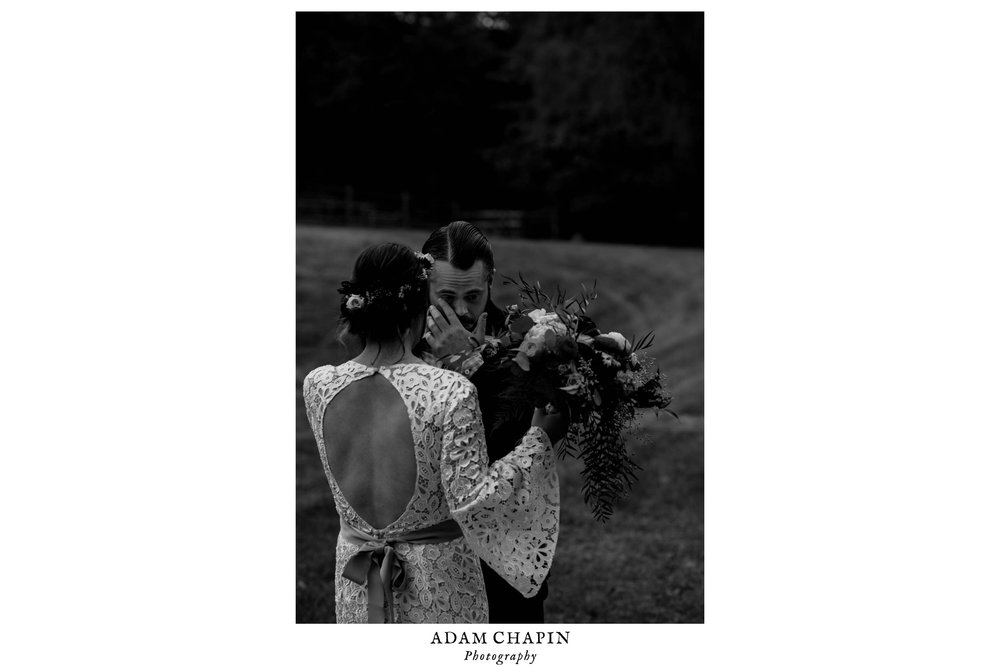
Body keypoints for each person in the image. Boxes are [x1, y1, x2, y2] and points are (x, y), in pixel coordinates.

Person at [302, 242, 562, 623]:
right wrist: (539, 439)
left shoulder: (318, 385)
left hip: (357, 578)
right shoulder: (449, 390)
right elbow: (473, 500)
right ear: (420, 309)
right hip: (437, 582)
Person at [416, 221, 567, 623]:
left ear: (490, 282)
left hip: (507, 550)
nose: (463, 311)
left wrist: (472, 363)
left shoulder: (526, 341)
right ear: (423, 286)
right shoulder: (404, 344)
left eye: (474, 295)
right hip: (431, 556)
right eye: (447, 296)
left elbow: (522, 433)